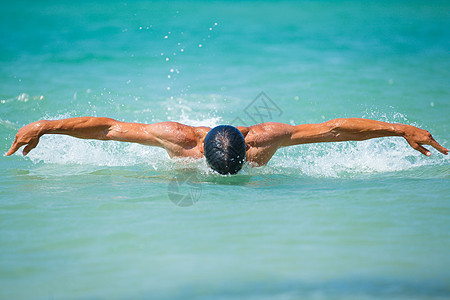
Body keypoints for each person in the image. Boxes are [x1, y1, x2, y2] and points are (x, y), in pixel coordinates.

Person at [6, 117, 448, 175]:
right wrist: (46, 126)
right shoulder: (180, 142)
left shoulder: (264, 140)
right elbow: (108, 129)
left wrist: (400, 129)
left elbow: (334, 130)